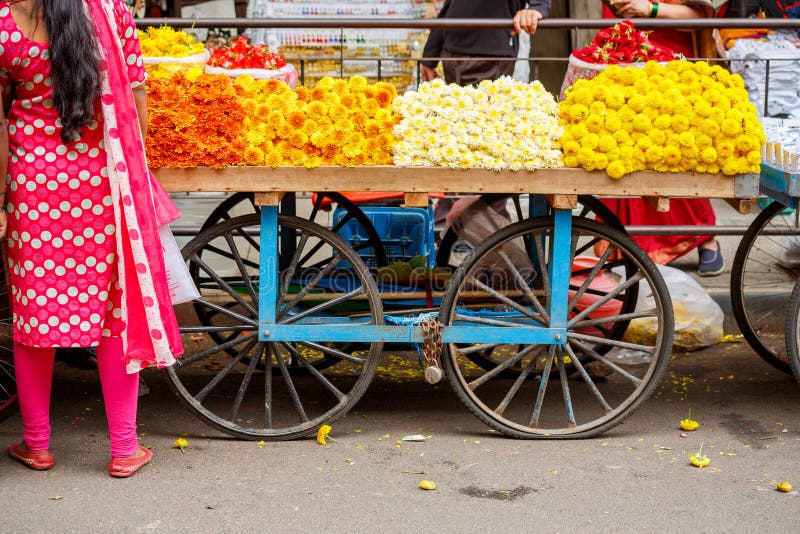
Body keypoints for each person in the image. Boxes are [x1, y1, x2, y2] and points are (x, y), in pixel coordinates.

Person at [0, 0, 183, 477]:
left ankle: (37, 445)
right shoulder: (111, 10)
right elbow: (136, 95)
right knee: (113, 316)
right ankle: (124, 448)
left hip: (32, 187)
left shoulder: (4, 23)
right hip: (102, 182)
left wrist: (0, 200)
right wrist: (136, 166)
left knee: (32, 314)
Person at [599, 0, 725, 275]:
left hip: (674, 69)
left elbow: (702, 16)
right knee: (627, 155)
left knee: (677, 153)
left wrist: (652, 9)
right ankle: (626, 244)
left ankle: (704, 236)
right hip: (627, 62)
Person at [420, 1, 552, 85]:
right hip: (452, 55)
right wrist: (429, 57)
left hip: (492, 56)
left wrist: (537, 7)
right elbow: (450, 6)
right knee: (456, 114)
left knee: (486, 114)